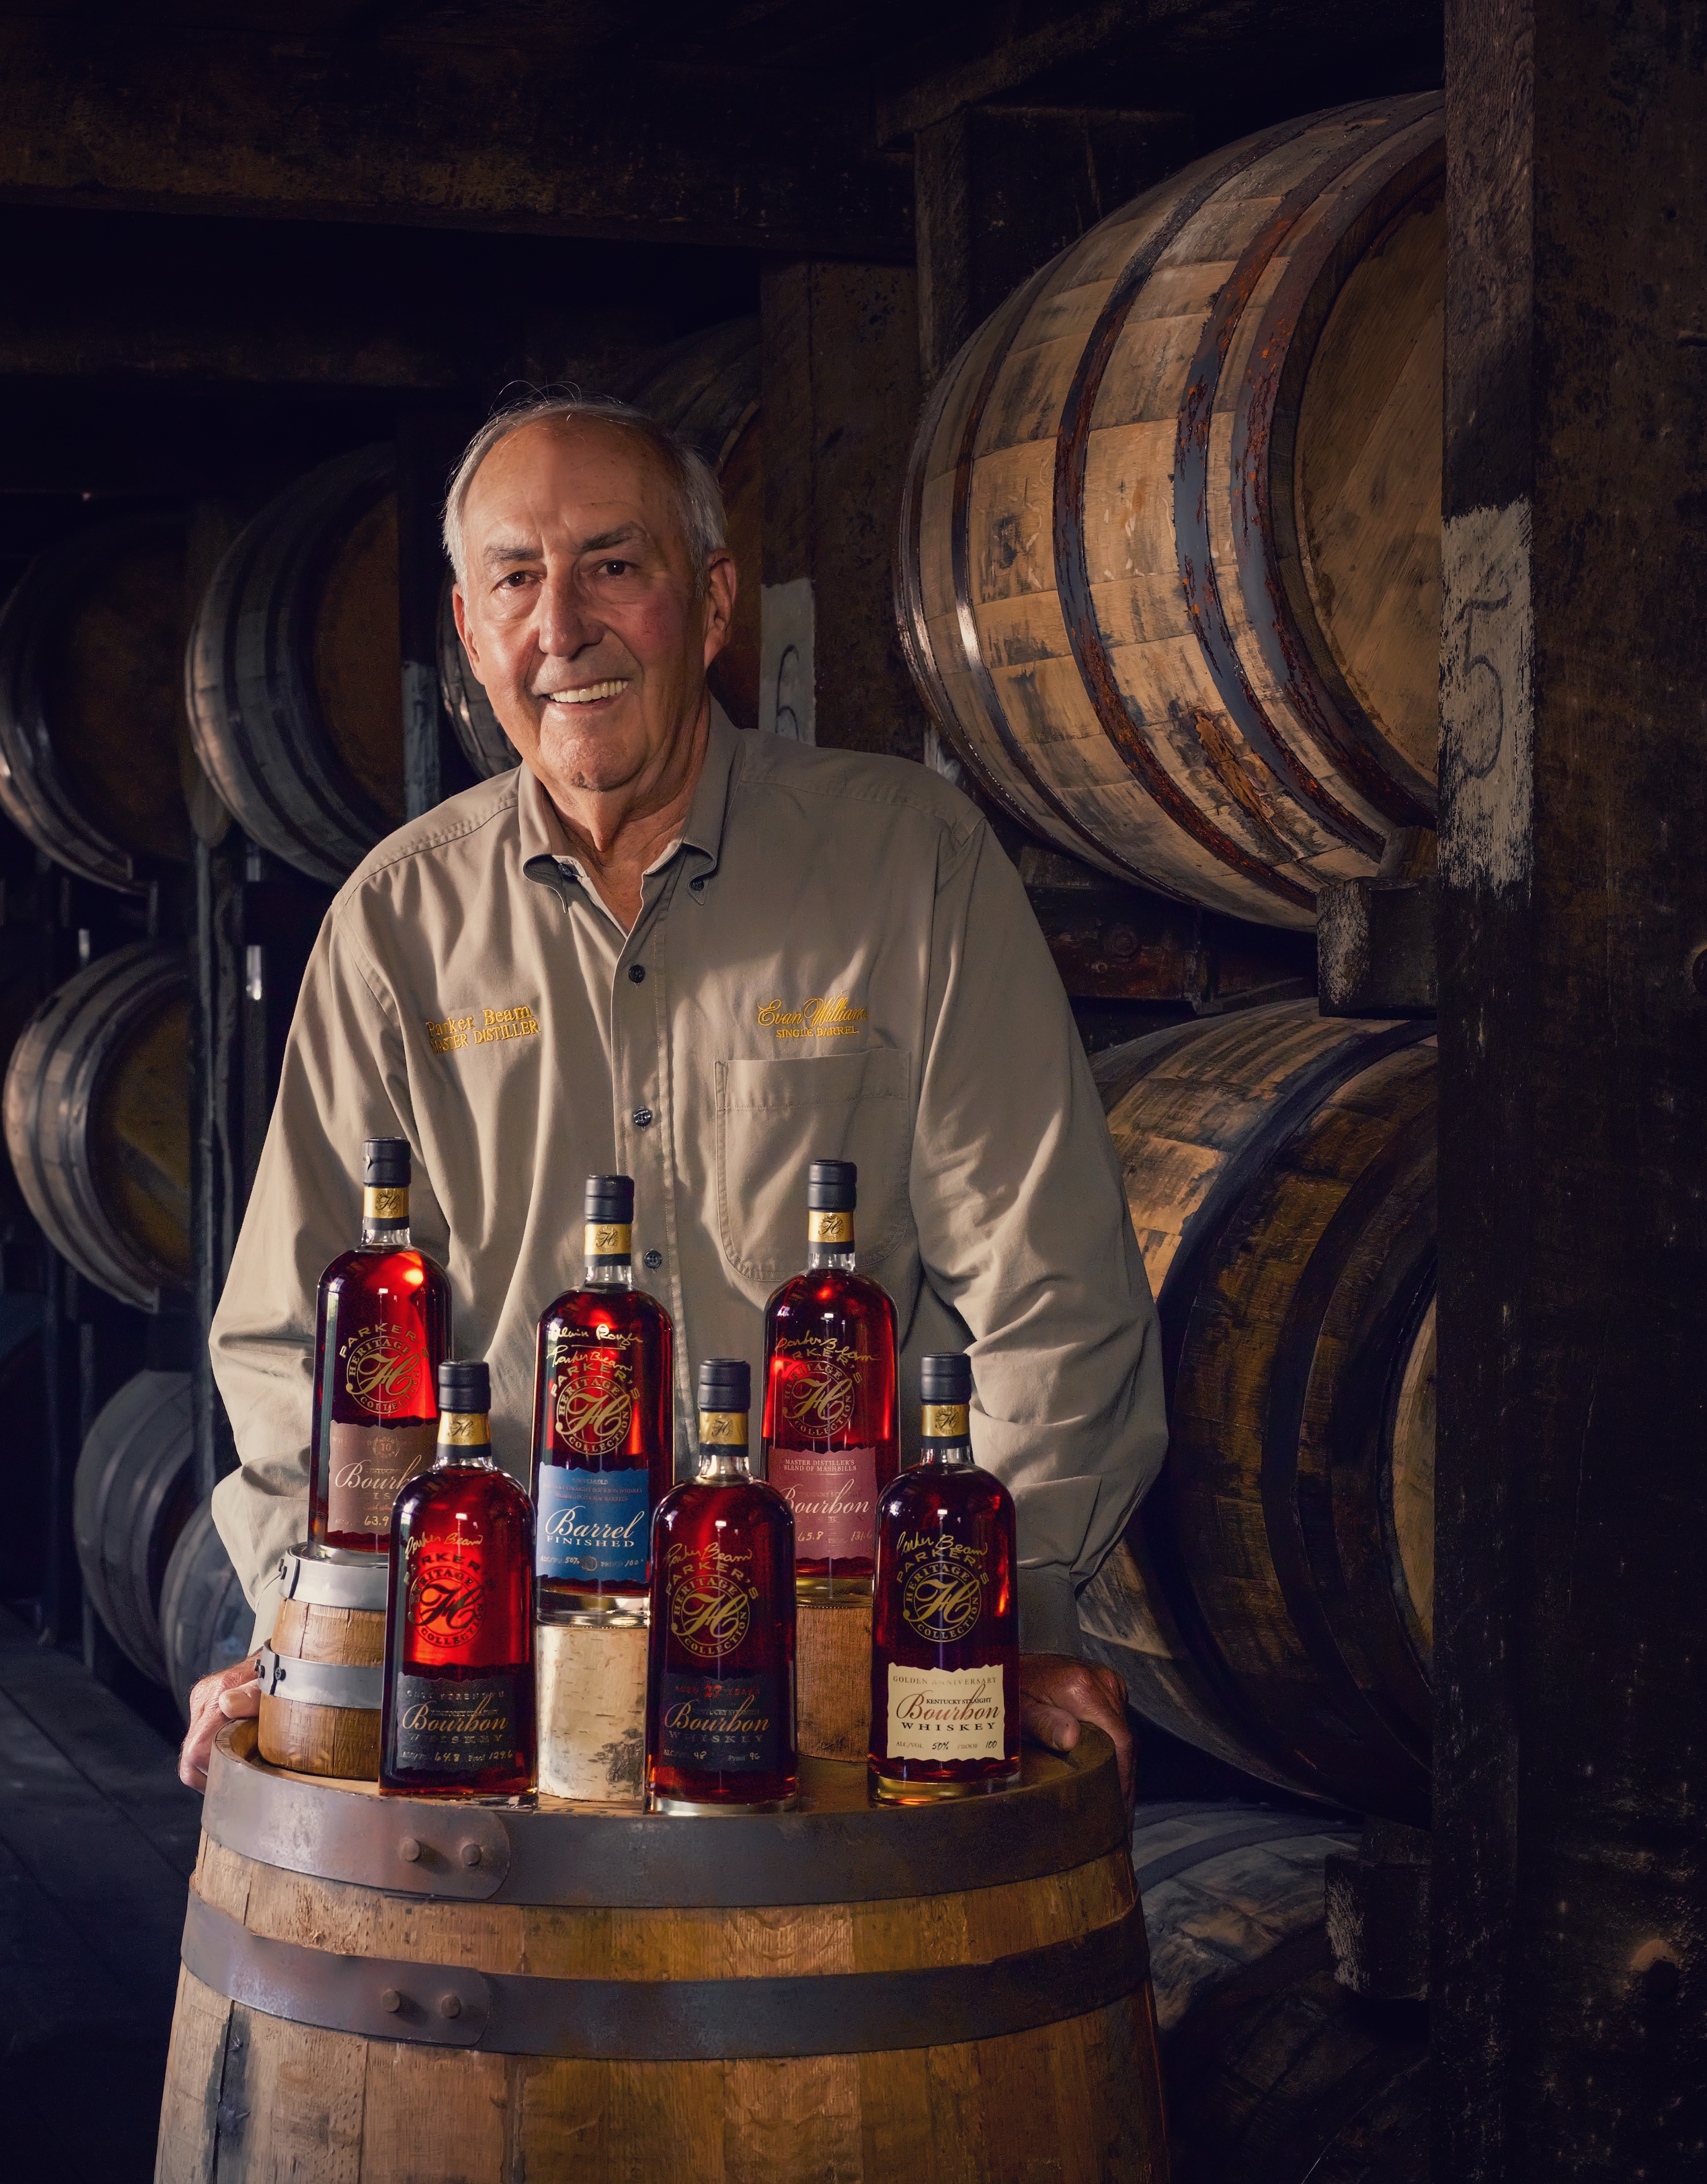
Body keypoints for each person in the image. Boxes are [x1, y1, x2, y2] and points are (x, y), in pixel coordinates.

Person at [180, 393, 1165, 1801]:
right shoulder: (395, 925)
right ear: (470, 635)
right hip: (496, 1699)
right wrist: (311, 1614)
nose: (561, 624)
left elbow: (1049, 1292)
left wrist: (998, 1619)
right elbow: (291, 1339)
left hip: (839, 1693)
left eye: (613, 565)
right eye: (515, 578)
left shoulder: (907, 866)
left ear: (708, 605)